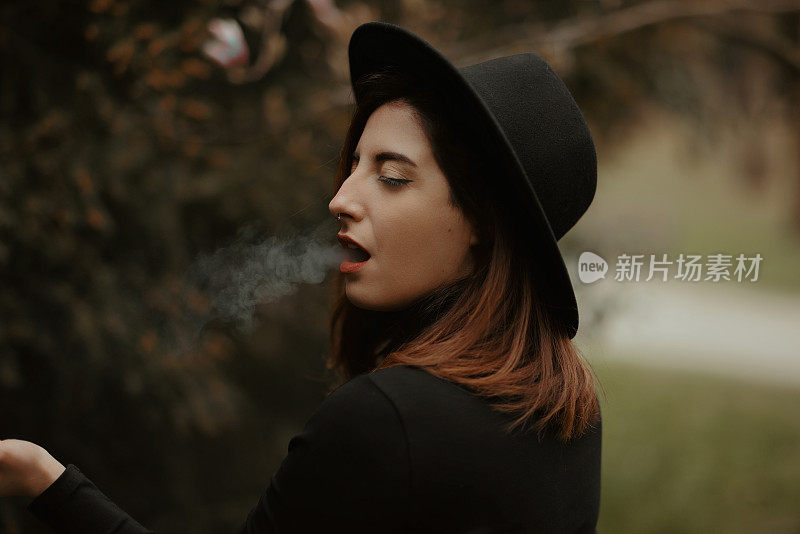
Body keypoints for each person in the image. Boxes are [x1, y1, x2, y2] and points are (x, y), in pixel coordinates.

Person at [0, 21, 602, 533]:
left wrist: (46, 485)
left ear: (485, 224)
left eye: (392, 176)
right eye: (354, 167)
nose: (341, 198)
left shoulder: (387, 418)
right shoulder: (564, 414)